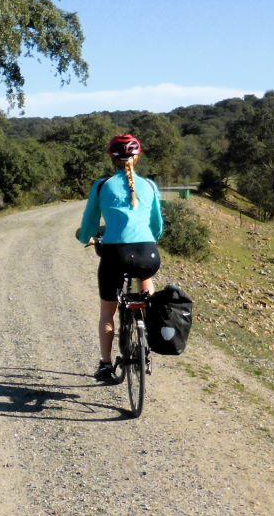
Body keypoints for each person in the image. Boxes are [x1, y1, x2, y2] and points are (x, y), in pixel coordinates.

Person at [76, 133, 163, 382]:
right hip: (148, 252)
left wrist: (86, 237)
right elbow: (157, 226)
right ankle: (148, 329)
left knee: (107, 313)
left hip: (115, 253)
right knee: (145, 282)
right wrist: (149, 238)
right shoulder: (150, 186)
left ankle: (105, 365)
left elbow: (89, 223)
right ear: (138, 157)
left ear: (111, 158)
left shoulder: (102, 185)